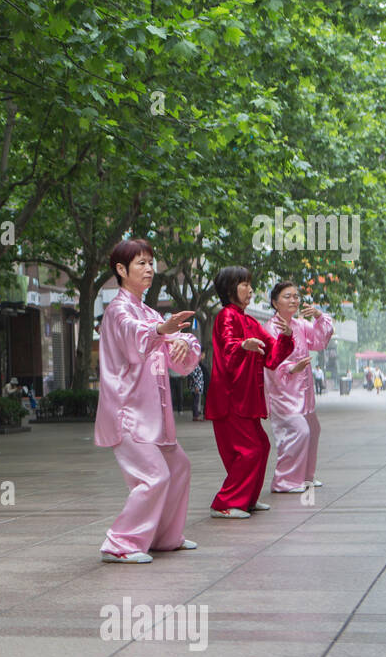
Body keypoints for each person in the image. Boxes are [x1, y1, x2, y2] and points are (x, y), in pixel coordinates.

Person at [93, 239, 201, 562]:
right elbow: (136, 338)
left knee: (179, 466)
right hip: (127, 413)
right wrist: (162, 331)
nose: (149, 268)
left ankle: (164, 536)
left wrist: (183, 344)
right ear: (121, 270)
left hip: (153, 417)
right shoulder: (117, 311)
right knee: (154, 476)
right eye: (141, 263)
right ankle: (120, 543)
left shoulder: (149, 311)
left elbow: (177, 349)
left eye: (151, 262)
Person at [204, 266, 293, 518]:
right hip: (231, 398)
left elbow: (272, 356)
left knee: (261, 446)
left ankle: (245, 500)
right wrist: (244, 345)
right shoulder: (227, 316)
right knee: (250, 450)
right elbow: (227, 346)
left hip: (246, 399)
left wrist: (285, 339)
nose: (250, 289)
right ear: (230, 288)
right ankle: (225, 502)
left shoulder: (250, 321)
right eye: (244, 284)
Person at [264, 283, 333, 493]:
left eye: (296, 296)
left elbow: (320, 341)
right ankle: (285, 480)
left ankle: (305, 476)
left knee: (312, 429)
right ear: (275, 303)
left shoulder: (300, 325)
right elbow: (269, 363)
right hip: (283, 393)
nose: (294, 300)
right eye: (287, 296)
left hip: (303, 391)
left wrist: (320, 317)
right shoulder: (270, 329)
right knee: (297, 431)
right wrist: (292, 367)